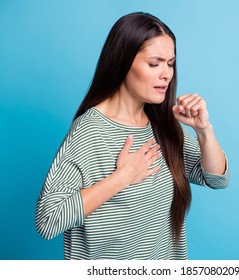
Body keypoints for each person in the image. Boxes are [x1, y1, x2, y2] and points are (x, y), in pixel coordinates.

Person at [35, 12, 229, 260]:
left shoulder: (162, 124)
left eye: (170, 63)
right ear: (123, 63)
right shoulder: (90, 132)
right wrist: (123, 177)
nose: (167, 74)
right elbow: (49, 219)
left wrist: (204, 131)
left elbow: (216, 178)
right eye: (154, 63)